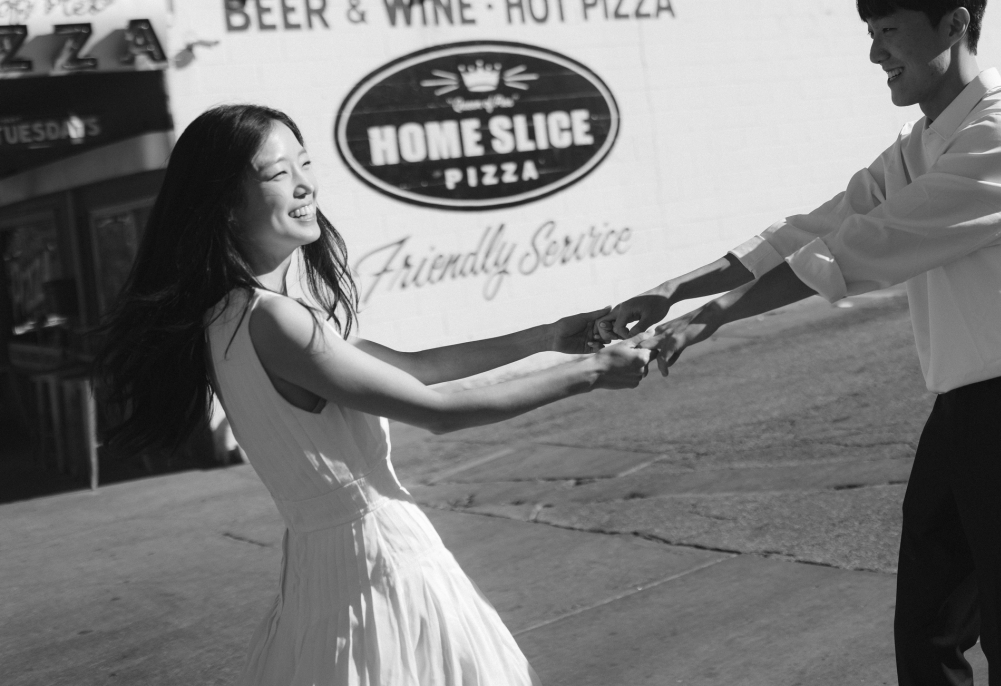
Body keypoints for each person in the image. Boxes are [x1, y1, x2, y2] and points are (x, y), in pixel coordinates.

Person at [601, 0, 1001, 686]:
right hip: (962, 413)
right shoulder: (923, 143)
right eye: (871, 34)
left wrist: (711, 319)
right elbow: (813, 229)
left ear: (954, 23)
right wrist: (676, 289)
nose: (875, 55)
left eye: (889, 30)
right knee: (926, 638)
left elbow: (857, 250)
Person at [95, 104, 651, 686]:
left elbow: (416, 368)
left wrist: (550, 337)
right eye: (278, 173)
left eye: (305, 163)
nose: (306, 182)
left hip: (320, 573)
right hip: (378, 561)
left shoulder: (226, 320)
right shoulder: (276, 321)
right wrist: (593, 373)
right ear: (227, 205)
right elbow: (436, 410)